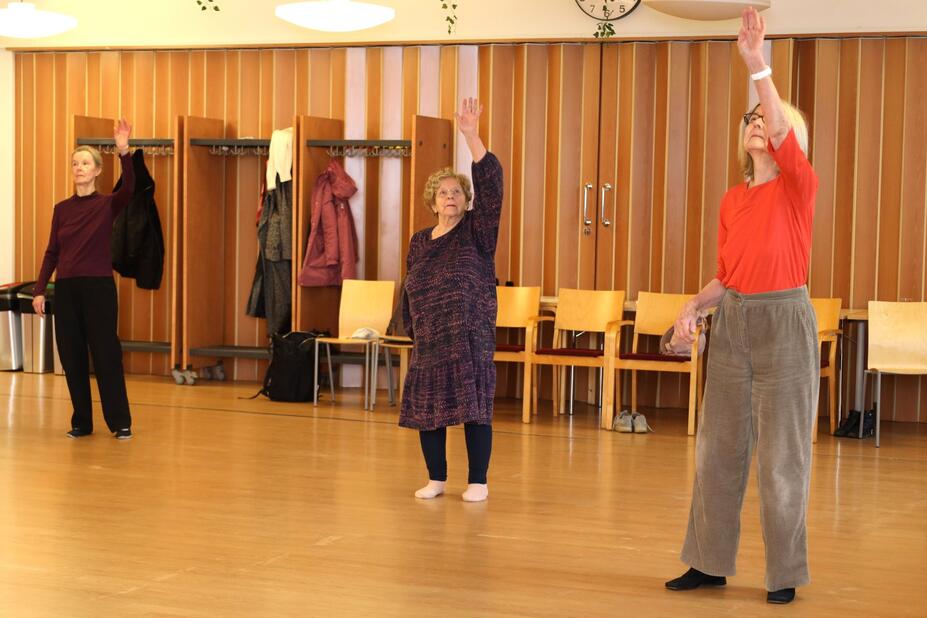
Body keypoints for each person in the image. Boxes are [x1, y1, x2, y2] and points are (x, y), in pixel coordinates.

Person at [664, 8, 819, 605]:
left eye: (767, 118)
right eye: (750, 118)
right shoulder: (733, 199)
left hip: (785, 323)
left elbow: (780, 126)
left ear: (787, 138)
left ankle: (783, 574)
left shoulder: (799, 186)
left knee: (783, 461)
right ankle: (707, 562)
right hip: (735, 323)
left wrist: (759, 66)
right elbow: (728, 277)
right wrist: (693, 307)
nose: (757, 122)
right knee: (717, 452)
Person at [399, 98, 502, 503]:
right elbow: (411, 287)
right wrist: (415, 333)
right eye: (443, 193)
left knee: (475, 407)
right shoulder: (419, 241)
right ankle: (436, 478)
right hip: (430, 339)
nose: (450, 197)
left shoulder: (478, 231)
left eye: (457, 192)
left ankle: (478, 480)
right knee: (429, 407)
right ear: (432, 201)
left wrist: (471, 135)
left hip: (469, 338)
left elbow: (492, 185)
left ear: (466, 199)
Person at [33, 118, 137, 440]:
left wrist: (123, 151)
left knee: (105, 354)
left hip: (98, 288)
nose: (79, 167)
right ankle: (82, 421)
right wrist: (39, 291)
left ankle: (120, 422)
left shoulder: (107, 204)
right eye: (75, 163)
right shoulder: (61, 209)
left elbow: (131, 187)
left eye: (85, 163)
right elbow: (52, 251)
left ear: (96, 171)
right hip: (66, 289)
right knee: (72, 355)